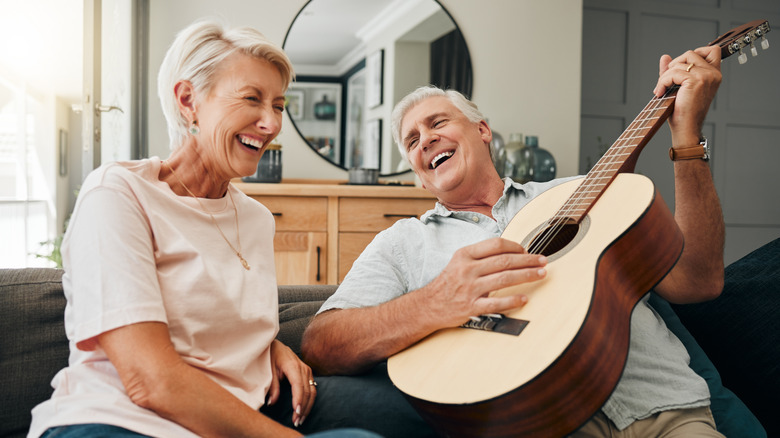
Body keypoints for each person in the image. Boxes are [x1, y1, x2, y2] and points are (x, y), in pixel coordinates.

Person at [301, 45, 727, 437]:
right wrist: (436, 301)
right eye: (412, 141)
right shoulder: (403, 243)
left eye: (437, 122)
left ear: (483, 130)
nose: (425, 139)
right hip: (540, 421)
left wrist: (686, 134)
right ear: (417, 170)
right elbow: (321, 343)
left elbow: (697, 282)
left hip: (666, 409)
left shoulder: (575, 193)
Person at [28, 19, 378, 438]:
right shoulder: (117, 194)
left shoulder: (255, 218)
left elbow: (216, 316)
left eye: (279, 105)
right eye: (252, 98)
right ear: (189, 100)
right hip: (118, 421)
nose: (271, 123)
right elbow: (148, 379)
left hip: (225, 417)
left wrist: (269, 345)